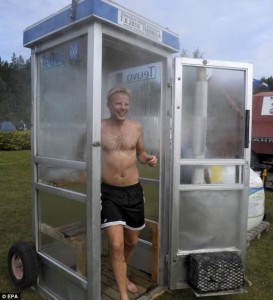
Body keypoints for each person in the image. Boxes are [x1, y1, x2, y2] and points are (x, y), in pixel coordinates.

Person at [101, 87, 157, 300]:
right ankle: (123, 296)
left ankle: (122, 275)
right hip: (109, 193)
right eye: (118, 103)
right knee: (116, 245)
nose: (122, 107)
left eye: (125, 104)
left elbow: (140, 153)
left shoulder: (136, 127)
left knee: (131, 242)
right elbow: (83, 149)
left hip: (133, 191)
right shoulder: (98, 127)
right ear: (109, 104)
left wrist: (148, 159)